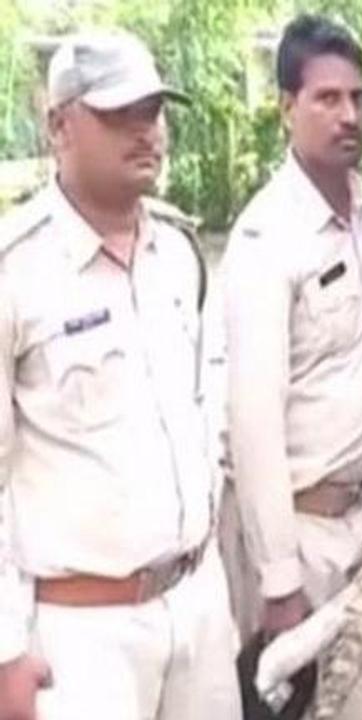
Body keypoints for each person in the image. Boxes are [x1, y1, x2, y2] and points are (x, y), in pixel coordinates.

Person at [0, 31, 240, 720]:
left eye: (155, 113)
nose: (147, 134)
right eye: (120, 115)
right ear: (59, 127)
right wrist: (5, 650)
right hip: (83, 635)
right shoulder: (18, 272)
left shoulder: (180, 252)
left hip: (194, 602)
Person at [218, 14, 362, 720]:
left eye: (357, 97)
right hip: (301, 536)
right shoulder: (266, 240)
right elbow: (252, 422)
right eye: (326, 98)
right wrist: (280, 581)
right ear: (286, 106)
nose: (348, 115)